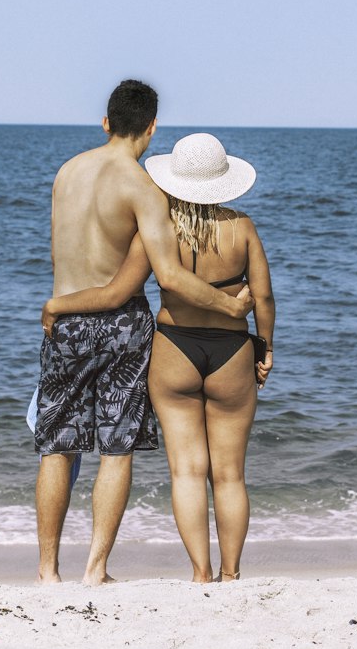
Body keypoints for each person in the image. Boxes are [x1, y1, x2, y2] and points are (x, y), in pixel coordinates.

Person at [34, 82, 255, 586]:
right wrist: (229, 304)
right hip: (119, 323)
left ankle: (47, 571)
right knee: (116, 446)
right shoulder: (143, 188)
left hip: (65, 320)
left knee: (57, 446)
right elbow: (170, 277)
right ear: (153, 127)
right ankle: (95, 569)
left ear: (106, 122)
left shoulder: (66, 173)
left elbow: (59, 252)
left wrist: (60, 305)